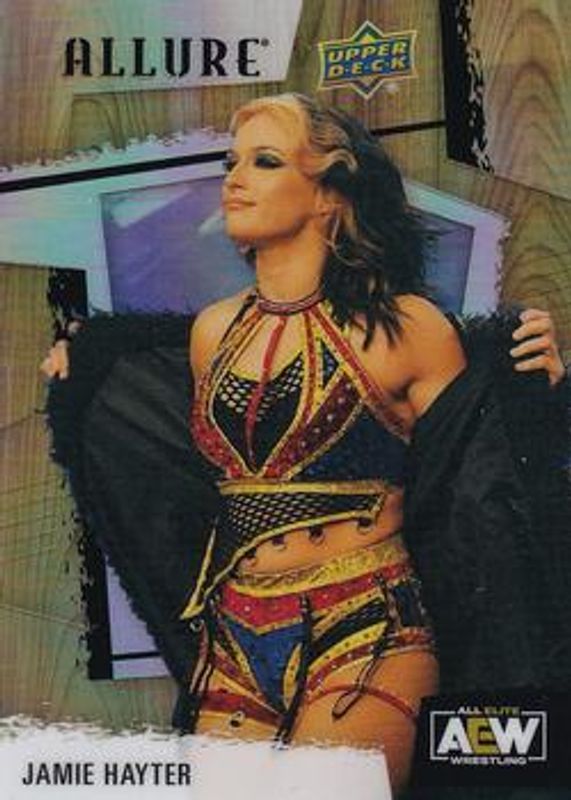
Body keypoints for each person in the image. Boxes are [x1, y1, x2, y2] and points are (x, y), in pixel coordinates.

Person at [42, 94, 569, 796]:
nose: (235, 179)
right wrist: (89, 366)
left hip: (368, 631)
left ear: (329, 195)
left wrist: (534, 390)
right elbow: (163, 436)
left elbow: (480, 473)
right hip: (234, 636)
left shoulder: (407, 328)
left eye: (264, 162)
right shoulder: (211, 334)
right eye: (231, 163)